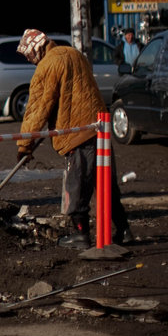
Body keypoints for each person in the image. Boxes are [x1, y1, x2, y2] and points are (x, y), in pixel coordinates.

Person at [15, 29, 133, 249]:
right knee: (106, 185)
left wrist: (24, 145)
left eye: (28, 55)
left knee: (77, 188)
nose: (29, 60)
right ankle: (124, 230)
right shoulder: (74, 53)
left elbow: (37, 109)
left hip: (77, 135)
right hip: (99, 129)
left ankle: (81, 235)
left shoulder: (47, 67)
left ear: (36, 51)